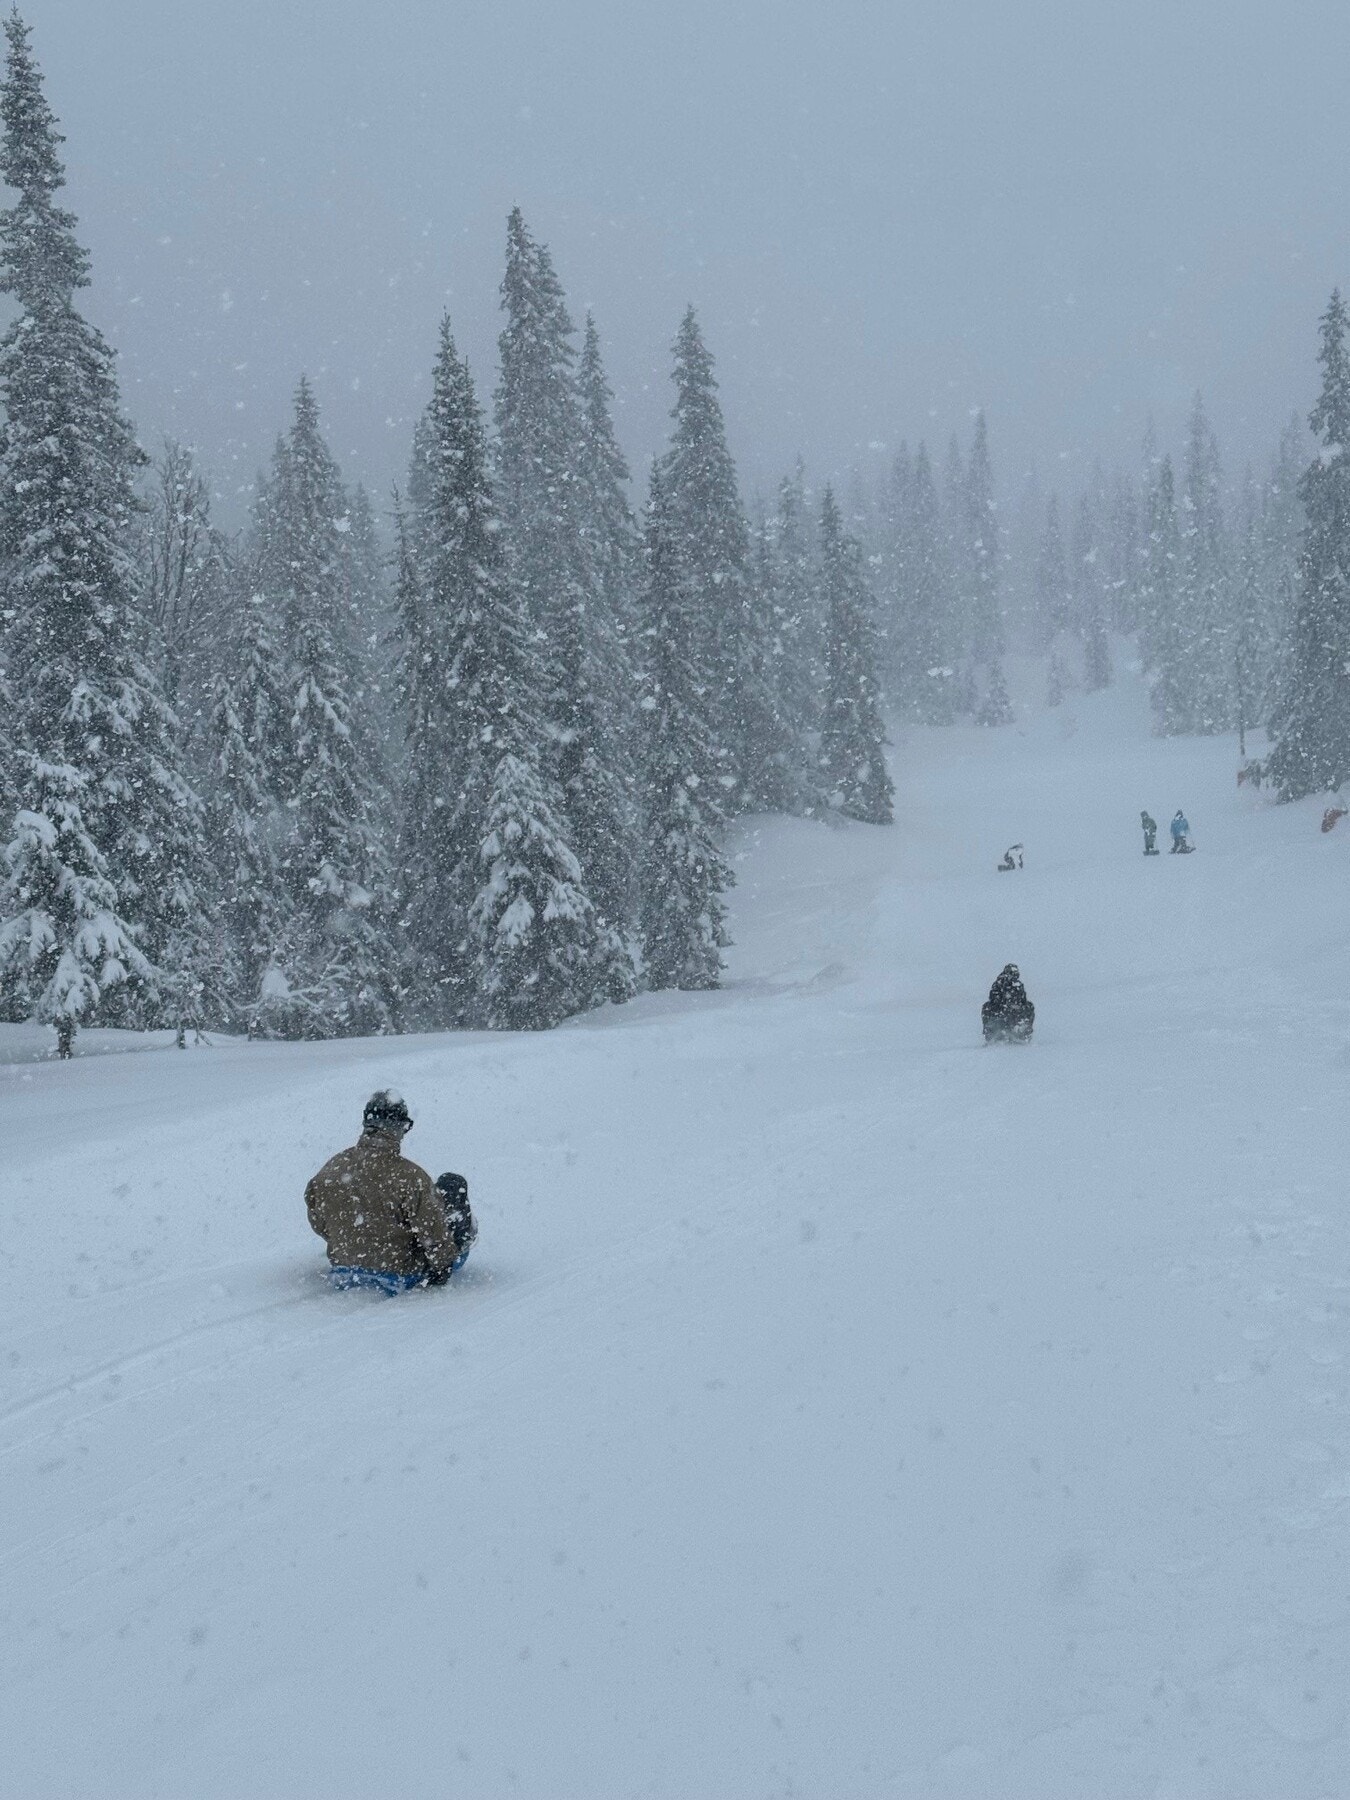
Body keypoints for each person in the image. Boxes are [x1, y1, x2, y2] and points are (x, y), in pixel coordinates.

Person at [305, 1091, 473, 1294]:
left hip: (344, 1269)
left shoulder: (330, 1170)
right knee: (452, 1185)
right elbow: (434, 1235)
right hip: (399, 1272)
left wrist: (354, 1239)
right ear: (400, 1126)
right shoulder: (411, 1177)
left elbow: (320, 1224)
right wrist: (442, 1267)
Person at [982, 963, 1034, 1044]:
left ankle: (1025, 1031)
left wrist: (1018, 1005)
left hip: (1016, 1009)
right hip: (1000, 1009)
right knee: (986, 1007)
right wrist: (1004, 1003)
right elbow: (993, 998)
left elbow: (1023, 999)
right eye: (1012, 973)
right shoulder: (998, 984)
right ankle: (990, 1031)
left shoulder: (1018, 985)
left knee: (1029, 1006)